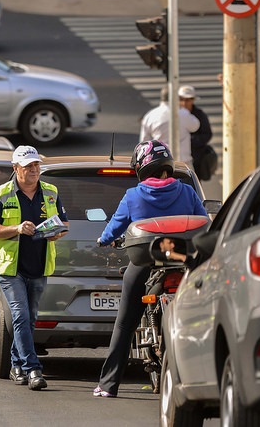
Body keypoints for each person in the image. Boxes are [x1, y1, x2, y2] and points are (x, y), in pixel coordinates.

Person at [92, 140, 207, 398]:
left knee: (124, 324)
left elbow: (114, 228)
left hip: (144, 262)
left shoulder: (133, 195)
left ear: (141, 167)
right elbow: (205, 222)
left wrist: (103, 239)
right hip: (183, 262)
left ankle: (109, 385)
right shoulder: (188, 192)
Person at [0, 145, 69, 391]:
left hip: (39, 265)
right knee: (20, 315)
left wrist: (56, 233)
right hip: (10, 268)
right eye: (28, 166)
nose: (33, 170)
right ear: (15, 169)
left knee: (29, 319)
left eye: (36, 166)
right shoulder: (0, 195)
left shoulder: (51, 192)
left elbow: (64, 223)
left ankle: (16, 365)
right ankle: (33, 369)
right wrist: (17, 228)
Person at [140, 85, 200, 168]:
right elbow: (195, 126)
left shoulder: (150, 116)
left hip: (159, 162)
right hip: (182, 163)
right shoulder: (183, 113)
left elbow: (144, 142)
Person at [179, 85, 213, 174]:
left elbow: (207, 134)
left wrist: (190, 141)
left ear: (193, 100)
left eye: (187, 100)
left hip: (196, 158)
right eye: (181, 99)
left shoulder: (200, 115)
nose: (184, 103)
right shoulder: (174, 114)